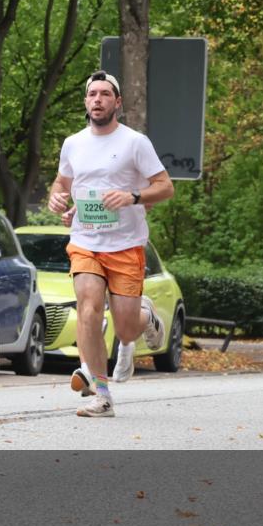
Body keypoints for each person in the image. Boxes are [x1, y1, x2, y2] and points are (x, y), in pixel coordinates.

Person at [47, 71, 174, 418]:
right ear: (86, 102)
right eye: (92, 94)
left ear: (117, 102)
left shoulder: (135, 142)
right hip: (86, 241)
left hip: (126, 244)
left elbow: (165, 187)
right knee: (88, 308)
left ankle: (145, 317)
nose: (98, 99)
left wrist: (133, 196)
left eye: (105, 94)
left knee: (126, 327)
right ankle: (101, 395)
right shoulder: (73, 143)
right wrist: (57, 200)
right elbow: (62, 181)